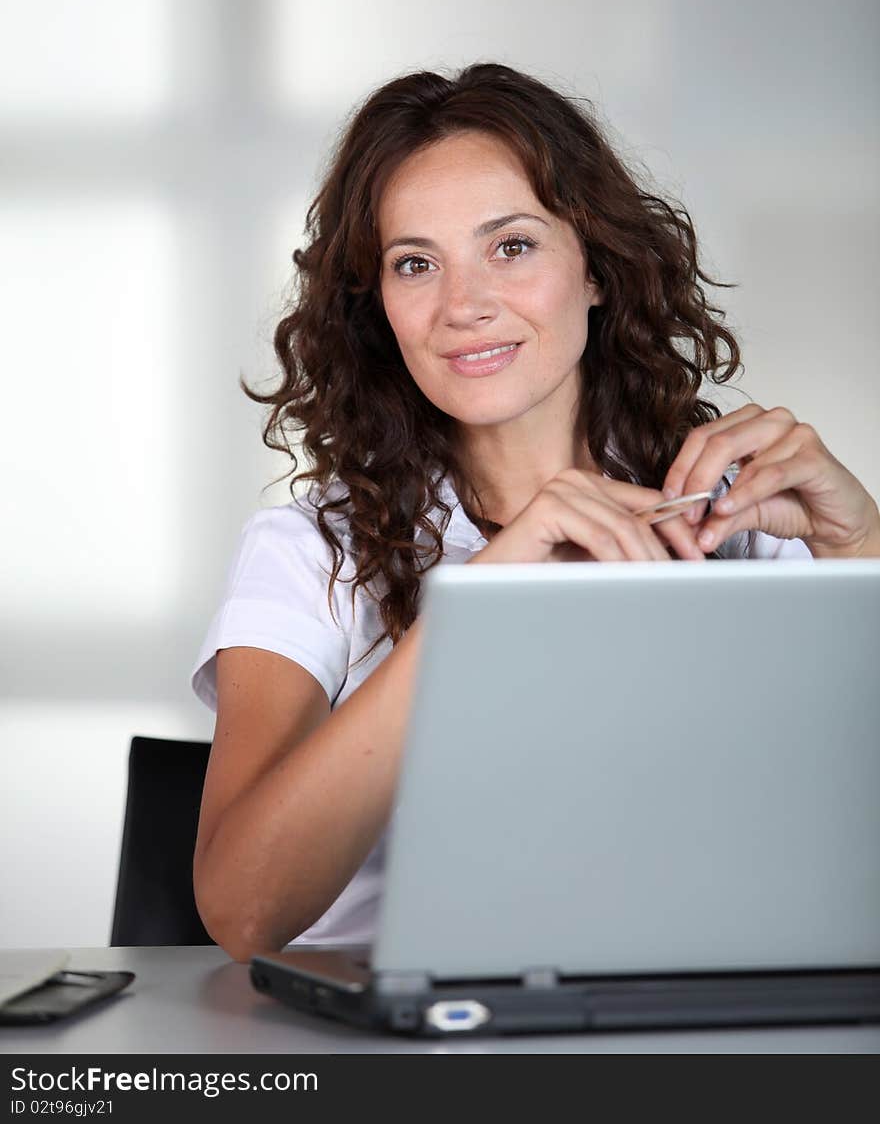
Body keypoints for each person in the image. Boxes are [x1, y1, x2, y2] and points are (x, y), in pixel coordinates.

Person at [190, 62, 880, 963]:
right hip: (393, 1042)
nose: (464, 307)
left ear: (594, 268)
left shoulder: (736, 520)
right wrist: (480, 600)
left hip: (681, 1014)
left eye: (510, 246)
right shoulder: (309, 551)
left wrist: (859, 543)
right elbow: (244, 913)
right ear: (380, 308)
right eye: (415, 264)